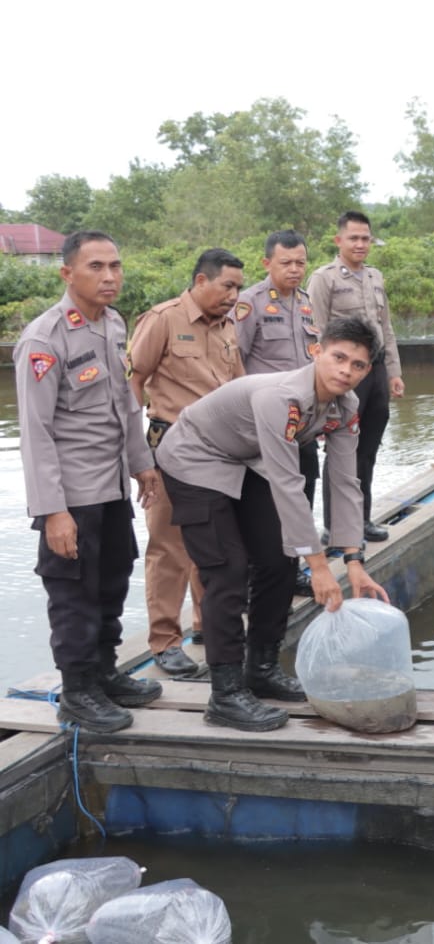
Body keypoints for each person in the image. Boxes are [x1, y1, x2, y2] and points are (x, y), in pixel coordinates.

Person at [153, 317, 390, 731]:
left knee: (280, 560)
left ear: (367, 371)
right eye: (338, 357)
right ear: (317, 351)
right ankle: (225, 695)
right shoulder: (282, 398)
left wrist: (353, 560)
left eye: (357, 365)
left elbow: (345, 480)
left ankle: (259, 669)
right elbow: (287, 484)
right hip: (194, 458)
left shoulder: (345, 407)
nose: (345, 371)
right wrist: (318, 566)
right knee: (227, 571)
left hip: (245, 459)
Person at [14, 231, 163, 733]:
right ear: (67, 274)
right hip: (71, 496)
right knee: (73, 595)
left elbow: (126, 404)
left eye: (115, 266)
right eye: (96, 267)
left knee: (112, 584)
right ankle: (77, 692)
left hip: (112, 488)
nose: (109, 277)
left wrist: (143, 464)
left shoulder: (114, 325)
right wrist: (53, 510)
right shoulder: (44, 339)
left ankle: (104, 674)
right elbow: (35, 434)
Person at [128, 249, 246, 676]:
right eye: (226, 286)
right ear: (200, 280)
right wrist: (137, 454)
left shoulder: (229, 327)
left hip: (217, 455)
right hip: (168, 448)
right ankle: (164, 641)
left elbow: (240, 389)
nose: (233, 296)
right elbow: (134, 380)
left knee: (211, 548)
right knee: (168, 547)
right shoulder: (162, 320)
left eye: (237, 288)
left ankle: (207, 628)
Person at [305, 211, 402, 542]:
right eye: (354, 238)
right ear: (338, 241)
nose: (361, 244)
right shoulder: (324, 278)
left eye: (366, 239)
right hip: (344, 377)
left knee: (368, 450)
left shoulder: (375, 276)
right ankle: (336, 526)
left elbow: (385, 328)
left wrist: (393, 372)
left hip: (375, 372)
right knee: (341, 449)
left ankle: (361, 520)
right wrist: (322, 388)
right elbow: (315, 334)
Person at [236, 230, 321, 593]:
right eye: (286, 262)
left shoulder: (307, 303)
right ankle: (260, 578)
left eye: (300, 262)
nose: (294, 269)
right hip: (266, 426)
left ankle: (296, 568)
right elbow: (233, 363)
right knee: (266, 507)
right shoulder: (248, 304)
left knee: (304, 492)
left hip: (302, 423)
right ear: (267, 263)